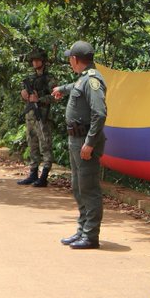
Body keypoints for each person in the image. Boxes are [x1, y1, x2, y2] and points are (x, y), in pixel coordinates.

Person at [52, 41, 106, 249]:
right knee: (78, 187)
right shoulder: (83, 79)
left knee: (89, 188)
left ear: (75, 60)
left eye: (70, 59)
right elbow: (74, 87)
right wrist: (61, 89)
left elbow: (99, 113)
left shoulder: (93, 81)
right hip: (76, 140)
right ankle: (82, 230)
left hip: (85, 142)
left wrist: (90, 142)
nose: (69, 62)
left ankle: (91, 235)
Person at [16, 47, 55, 187]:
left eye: (37, 60)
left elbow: (56, 97)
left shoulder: (50, 79)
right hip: (30, 116)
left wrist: (40, 99)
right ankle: (33, 173)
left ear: (43, 61)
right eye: (33, 60)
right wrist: (24, 94)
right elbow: (25, 95)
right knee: (32, 144)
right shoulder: (30, 78)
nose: (34, 62)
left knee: (45, 145)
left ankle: (44, 176)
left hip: (42, 117)